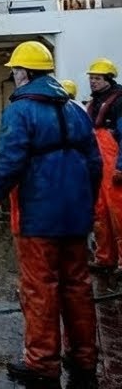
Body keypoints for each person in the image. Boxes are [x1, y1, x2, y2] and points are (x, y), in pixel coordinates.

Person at [0, 41, 100, 387]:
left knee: (40, 289)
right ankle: (85, 359)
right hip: (76, 218)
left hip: (38, 219)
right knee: (77, 286)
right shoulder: (76, 109)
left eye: (15, 70)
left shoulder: (20, 110)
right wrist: (87, 208)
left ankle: (42, 365)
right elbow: (94, 163)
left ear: (24, 72)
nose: (14, 76)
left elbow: (9, 163)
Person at [85, 57, 122, 272]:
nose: (93, 82)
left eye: (97, 78)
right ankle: (105, 257)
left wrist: (120, 165)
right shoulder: (94, 102)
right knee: (99, 210)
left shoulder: (119, 101)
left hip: (112, 161)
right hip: (98, 162)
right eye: (91, 78)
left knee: (118, 212)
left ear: (108, 79)